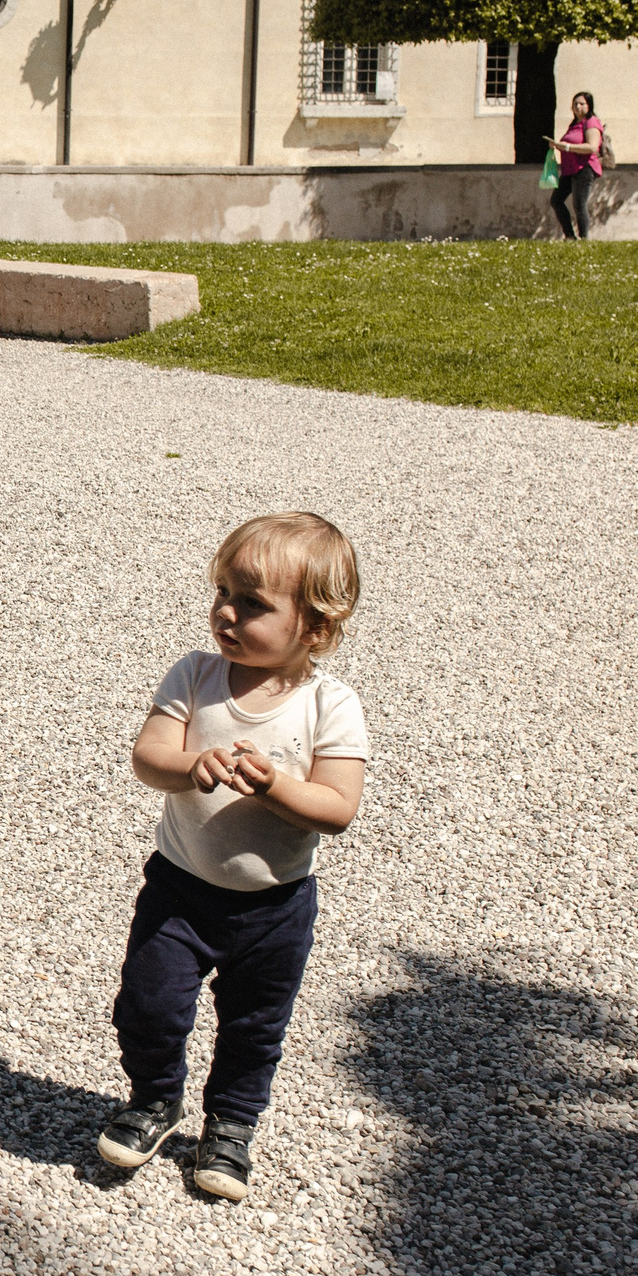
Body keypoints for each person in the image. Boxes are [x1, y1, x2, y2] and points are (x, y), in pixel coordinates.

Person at [94, 513, 370, 1201]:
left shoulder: (329, 707)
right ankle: (154, 1099)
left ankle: (231, 1127)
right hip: (181, 890)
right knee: (149, 1004)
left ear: (316, 627)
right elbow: (148, 757)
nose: (226, 611)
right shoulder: (196, 675)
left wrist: (277, 784)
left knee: (254, 1026)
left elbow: (338, 808)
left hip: (274, 907)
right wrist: (191, 766)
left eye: (253, 603)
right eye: (222, 591)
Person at [544, 91, 606, 241]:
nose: (577, 106)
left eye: (581, 103)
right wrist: (557, 145)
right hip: (570, 169)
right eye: (575, 104)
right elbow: (569, 143)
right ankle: (570, 236)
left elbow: (592, 147)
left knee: (579, 204)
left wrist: (567, 147)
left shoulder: (591, 122)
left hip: (584, 168)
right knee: (556, 200)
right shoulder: (574, 124)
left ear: (588, 105)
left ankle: (584, 239)